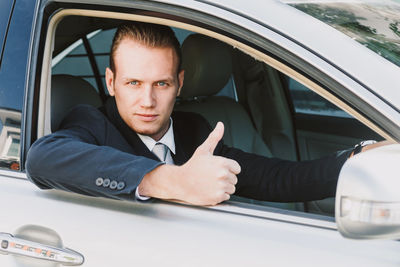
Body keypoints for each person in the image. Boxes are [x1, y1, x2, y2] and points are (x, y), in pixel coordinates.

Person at [25, 22, 389, 206]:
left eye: (161, 84)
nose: (147, 101)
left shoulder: (194, 130)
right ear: (111, 81)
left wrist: (357, 159)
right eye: (133, 83)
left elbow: (278, 178)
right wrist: (169, 180)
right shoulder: (91, 123)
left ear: (180, 83)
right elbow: (44, 158)